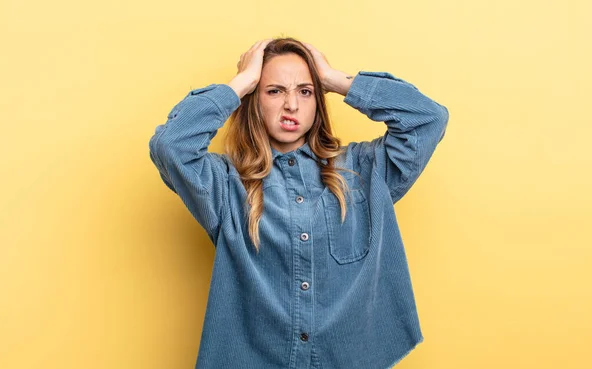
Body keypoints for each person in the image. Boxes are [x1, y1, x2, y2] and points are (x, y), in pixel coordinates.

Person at [149, 37, 449, 369]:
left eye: (305, 91)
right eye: (274, 91)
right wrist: (240, 84)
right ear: (254, 100)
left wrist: (336, 80)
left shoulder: (365, 170)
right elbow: (171, 146)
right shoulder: (225, 184)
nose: (291, 104)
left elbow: (428, 119)